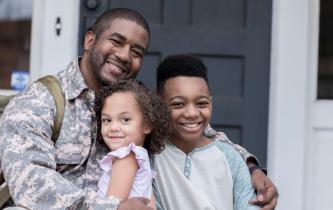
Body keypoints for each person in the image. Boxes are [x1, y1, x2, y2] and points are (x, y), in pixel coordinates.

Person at [0, 8, 277, 210]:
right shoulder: (41, 100)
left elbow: (197, 129)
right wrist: (112, 208)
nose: (124, 56)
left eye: (136, 52)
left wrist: (252, 167)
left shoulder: (135, 102)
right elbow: (30, 184)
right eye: (117, 42)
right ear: (89, 40)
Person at [153, 54, 260, 210]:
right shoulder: (150, 158)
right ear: (159, 104)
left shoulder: (231, 159)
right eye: (178, 104)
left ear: (210, 103)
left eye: (201, 103)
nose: (191, 113)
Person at [94, 80, 171, 210]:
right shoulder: (141, 158)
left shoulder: (126, 158)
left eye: (125, 119)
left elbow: (112, 205)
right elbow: (150, 205)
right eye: (107, 120)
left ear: (147, 124)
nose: (113, 127)